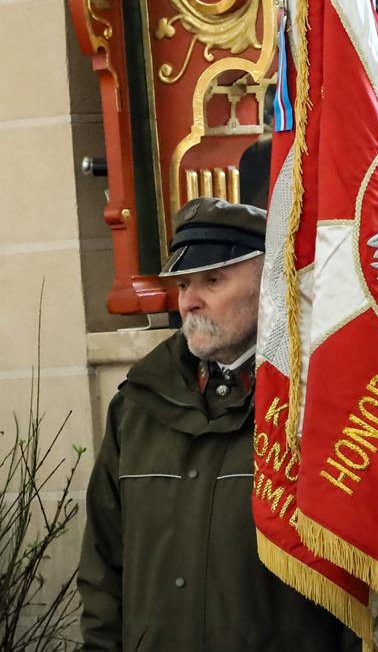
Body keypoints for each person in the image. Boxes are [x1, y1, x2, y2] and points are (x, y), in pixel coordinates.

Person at [78, 198, 358, 651]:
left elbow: (361, 581)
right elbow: (103, 569)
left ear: (269, 280)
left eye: (213, 279)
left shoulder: (318, 406)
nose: (190, 301)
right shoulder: (138, 406)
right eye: (185, 283)